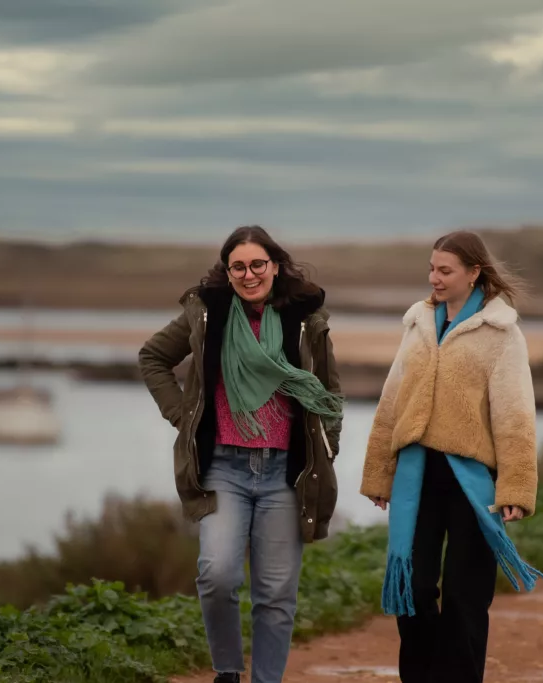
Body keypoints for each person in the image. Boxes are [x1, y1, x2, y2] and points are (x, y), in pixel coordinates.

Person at [138, 225, 344, 683]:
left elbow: (329, 390)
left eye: (257, 264)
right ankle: (228, 670)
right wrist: (182, 415)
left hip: (284, 473)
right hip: (223, 469)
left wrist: (327, 445)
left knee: (275, 593)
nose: (249, 274)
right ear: (227, 270)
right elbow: (152, 357)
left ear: (274, 265)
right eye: (239, 266)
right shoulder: (207, 313)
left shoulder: (305, 316)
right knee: (218, 575)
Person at [359, 230, 543, 683]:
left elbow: (516, 414)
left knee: (466, 597)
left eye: (445, 270)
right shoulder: (419, 322)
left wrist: (516, 486)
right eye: (431, 268)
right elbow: (391, 402)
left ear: (473, 272)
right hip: (416, 476)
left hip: (472, 481)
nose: (434, 278)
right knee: (416, 589)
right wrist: (379, 473)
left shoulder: (502, 333)